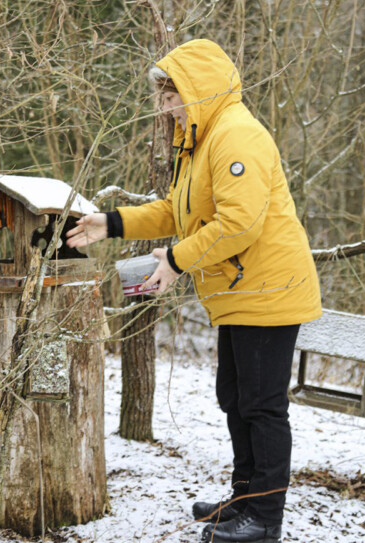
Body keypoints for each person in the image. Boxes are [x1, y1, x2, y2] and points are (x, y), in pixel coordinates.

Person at [65, 39, 321, 543]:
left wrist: (177, 261)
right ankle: (244, 499)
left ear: (197, 90)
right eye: (161, 97)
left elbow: (239, 224)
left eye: (170, 95)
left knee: (262, 407)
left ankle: (263, 519)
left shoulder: (235, 136)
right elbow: (175, 212)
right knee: (235, 397)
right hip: (241, 293)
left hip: (269, 291)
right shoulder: (202, 142)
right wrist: (110, 223)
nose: (164, 108)